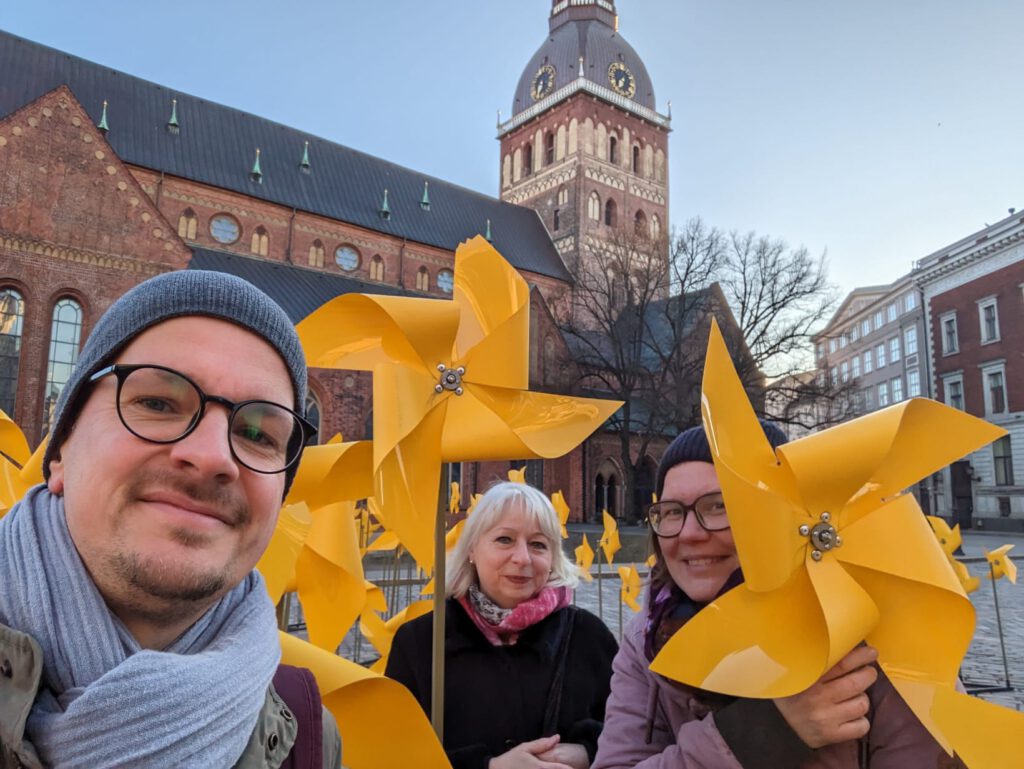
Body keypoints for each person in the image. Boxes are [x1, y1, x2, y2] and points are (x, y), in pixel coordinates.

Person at [0, 271, 342, 769]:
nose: (211, 457)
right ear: (60, 453)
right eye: (157, 403)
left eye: (259, 434)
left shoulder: (309, 737)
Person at [592, 424, 954, 769]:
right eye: (671, 512)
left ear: (783, 516)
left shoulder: (881, 640)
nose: (688, 533)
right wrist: (765, 731)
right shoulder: (648, 640)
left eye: (719, 505)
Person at [386, 481, 618, 769]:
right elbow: (392, 755)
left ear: (553, 557)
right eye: (504, 540)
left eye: (538, 544)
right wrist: (489, 767)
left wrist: (590, 753)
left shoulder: (589, 636)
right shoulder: (420, 642)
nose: (522, 558)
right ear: (472, 549)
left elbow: (634, 736)